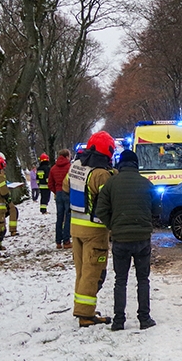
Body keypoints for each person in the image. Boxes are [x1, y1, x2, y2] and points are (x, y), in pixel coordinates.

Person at [95, 149, 157, 331]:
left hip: (120, 239)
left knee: (120, 280)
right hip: (142, 238)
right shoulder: (146, 183)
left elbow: (101, 210)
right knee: (143, 279)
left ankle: (119, 321)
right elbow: (157, 208)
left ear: (120, 164)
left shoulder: (111, 184)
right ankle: (144, 319)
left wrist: (113, 226)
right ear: (136, 165)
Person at [63, 132, 116, 327]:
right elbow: (109, 198)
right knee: (93, 273)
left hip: (76, 227)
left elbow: (65, 187)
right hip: (95, 231)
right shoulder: (101, 174)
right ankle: (86, 315)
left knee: (81, 271)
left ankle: (82, 308)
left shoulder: (75, 166)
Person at [48, 148, 72, 249]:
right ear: (67, 156)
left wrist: (56, 191)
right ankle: (66, 240)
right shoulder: (70, 167)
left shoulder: (53, 168)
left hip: (58, 194)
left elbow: (50, 184)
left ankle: (58, 241)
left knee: (59, 217)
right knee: (68, 217)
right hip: (68, 193)